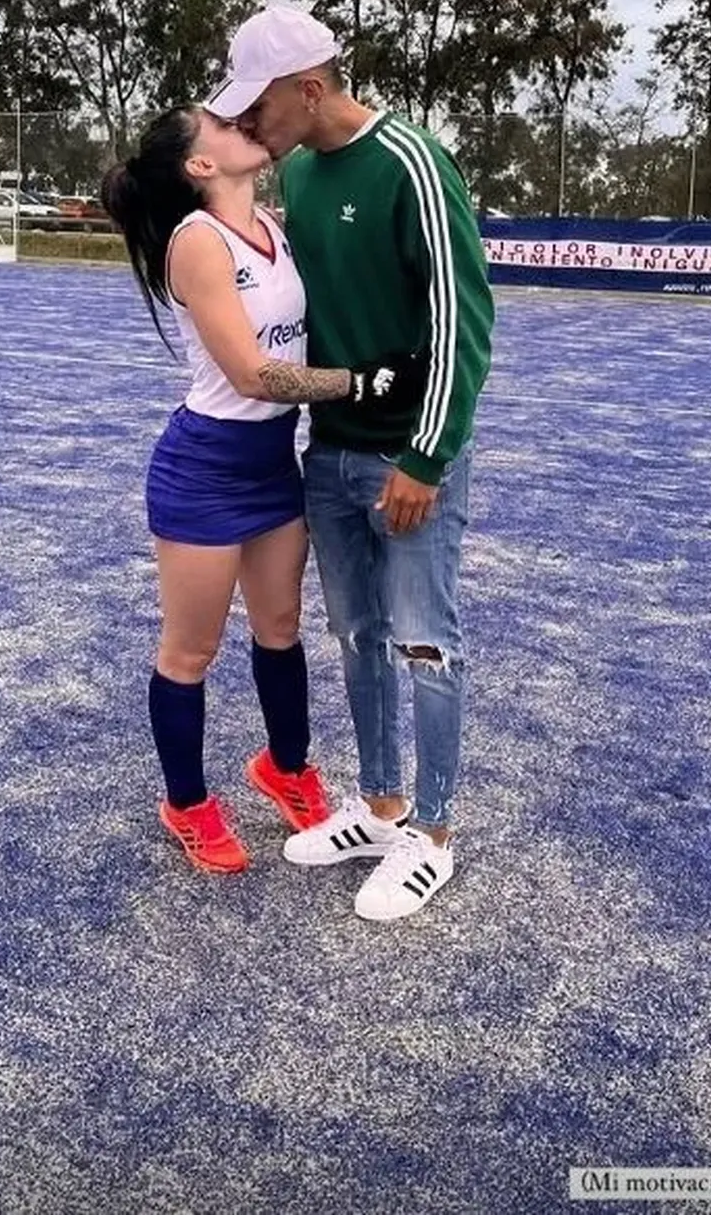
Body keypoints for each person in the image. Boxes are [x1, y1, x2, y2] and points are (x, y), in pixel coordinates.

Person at [206, 5, 494, 921]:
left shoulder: (411, 163)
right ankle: (379, 810)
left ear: (312, 86)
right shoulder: (295, 171)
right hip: (327, 457)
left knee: (426, 643)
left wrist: (426, 454)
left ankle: (435, 837)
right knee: (358, 639)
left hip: (407, 464)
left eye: (262, 105)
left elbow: (462, 323)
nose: (253, 123)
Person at [100, 106, 426, 875]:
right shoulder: (194, 242)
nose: (238, 120)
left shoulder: (275, 228)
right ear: (199, 166)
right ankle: (185, 802)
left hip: (275, 462)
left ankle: (284, 767)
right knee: (191, 650)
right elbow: (253, 372)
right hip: (205, 470)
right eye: (215, 123)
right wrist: (361, 380)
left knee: (280, 627)